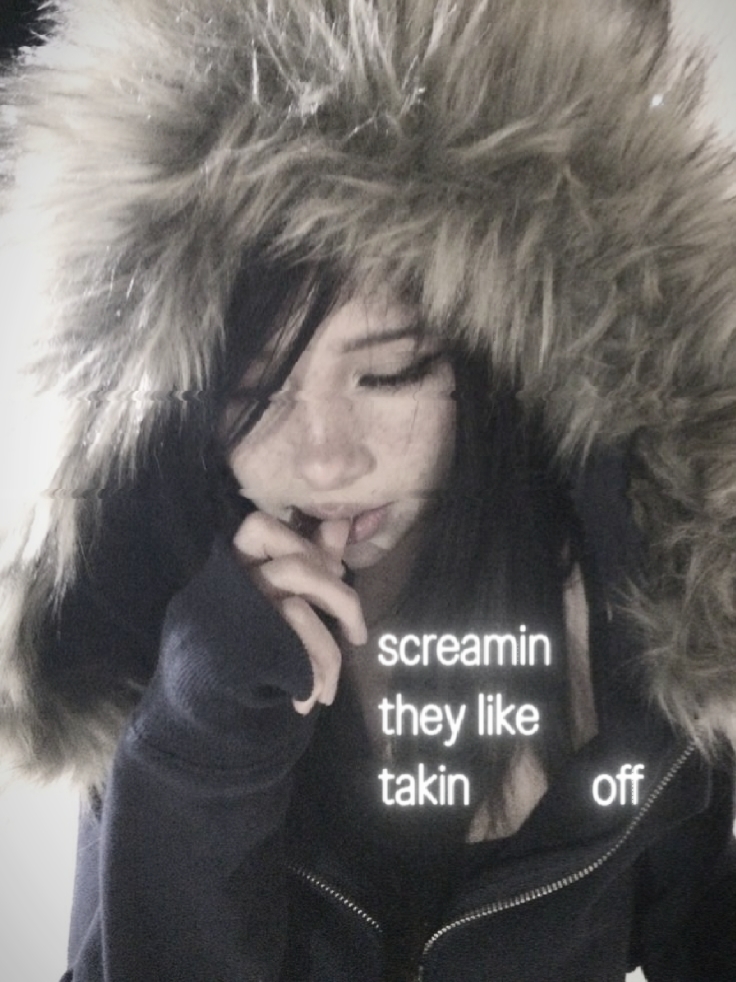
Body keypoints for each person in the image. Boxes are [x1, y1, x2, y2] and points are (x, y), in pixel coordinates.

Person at [0, 0, 735, 979]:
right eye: (251, 394)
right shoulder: (150, 632)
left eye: (388, 374)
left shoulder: (635, 610)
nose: (324, 460)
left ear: (497, 361)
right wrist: (196, 750)